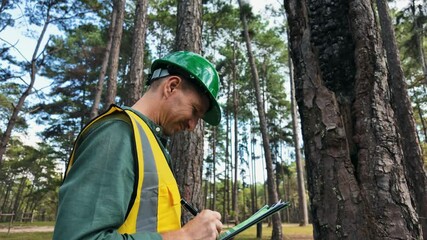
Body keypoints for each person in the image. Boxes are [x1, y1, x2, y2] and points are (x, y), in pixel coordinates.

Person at [53, 51, 223, 240]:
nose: (192, 126)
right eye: (195, 111)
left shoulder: (150, 144)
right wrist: (184, 237)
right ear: (171, 86)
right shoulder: (116, 134)